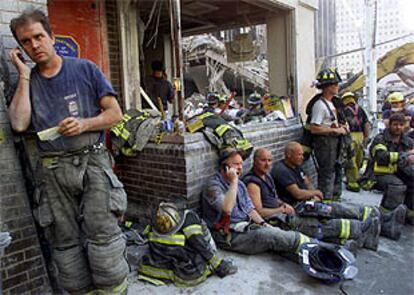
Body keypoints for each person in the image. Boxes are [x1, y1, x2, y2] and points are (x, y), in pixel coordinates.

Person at [8, 9, 128, 294]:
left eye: (39, 37)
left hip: (93, 162)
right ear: (21, 47)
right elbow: (19, 122)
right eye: (26, 41)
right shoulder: (29, 82)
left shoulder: (84, 69)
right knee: (65, 242)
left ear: (51, 36)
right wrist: (24, 75)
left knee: (104, 237)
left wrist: (85, 123)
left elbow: (115, 114)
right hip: (52, 170)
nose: (34, 45)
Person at [243, 147, 380, 250]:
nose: (267, 164)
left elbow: (273, 197)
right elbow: (259, 212)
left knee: (325, 215)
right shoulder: (253, 183)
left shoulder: (266, 176)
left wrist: (283, 204)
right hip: (277, 220)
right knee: (318, 226)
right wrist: (282, 209)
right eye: (263, 160)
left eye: (269, 160)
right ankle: (360, 230)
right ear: (254, 161)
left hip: (286, 212)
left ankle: (361, 233)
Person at [201, 147, 322, 259]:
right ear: (224, 167)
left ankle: (316, 254)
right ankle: (313, 247)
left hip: (246, 227)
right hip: (229, 235)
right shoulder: (213, 186)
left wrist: (264, 224)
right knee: (270, 236)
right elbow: (227, 209)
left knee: (279, 236)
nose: (240, 168)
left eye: (241, 164)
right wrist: (233, 182)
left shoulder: (240, 185)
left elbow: (250, 209)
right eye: (236, 164)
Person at [273, 142, 406, 241]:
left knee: (340, 209)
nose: (302, 157)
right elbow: (297, 194)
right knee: (336, 210)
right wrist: (315, 194)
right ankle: (382, 225)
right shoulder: (281, 170)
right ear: (289, 155)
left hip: (308, 202)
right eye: (299, 154)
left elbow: (307, 181)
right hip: (298, 207)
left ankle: (384, 221)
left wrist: (314, 194)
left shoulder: (296, 166)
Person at [138, 201, 237, 286]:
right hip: (186, 270)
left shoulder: (154, 226)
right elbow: (200, 245)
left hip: (156, 265)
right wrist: (220, 266)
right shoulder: (189, 219)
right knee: (200, 256)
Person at [363, 113, 414, 225]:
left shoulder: (408, 141)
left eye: (401, 125)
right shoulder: (380, 139)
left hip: (399, 172)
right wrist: (404, 156)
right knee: (397, 186)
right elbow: (381, 157)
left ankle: (408, 214)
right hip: (378, 174)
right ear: (389, 125)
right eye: (395, 124)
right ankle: (386, 216)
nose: (398, 127)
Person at [307, 68, 348, 201]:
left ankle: (335, 200)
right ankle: (326, 203)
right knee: (327, 175)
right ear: (326, 87)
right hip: (325, 145)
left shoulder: (331, 103)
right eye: (334, 84)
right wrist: (335, 131)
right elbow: (314, 128)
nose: (337, 87)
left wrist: (341, 127)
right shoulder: (320, 105)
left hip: (334, 144)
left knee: (336, 171)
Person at [341, 92, 370, 192]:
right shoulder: (361, 110)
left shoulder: (343, 111)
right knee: (359, 157)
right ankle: (357, 178)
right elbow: (366, 124)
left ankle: (352, 181)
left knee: (350, 158)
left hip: (350, 136)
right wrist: (366, 138)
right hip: (360, 135)